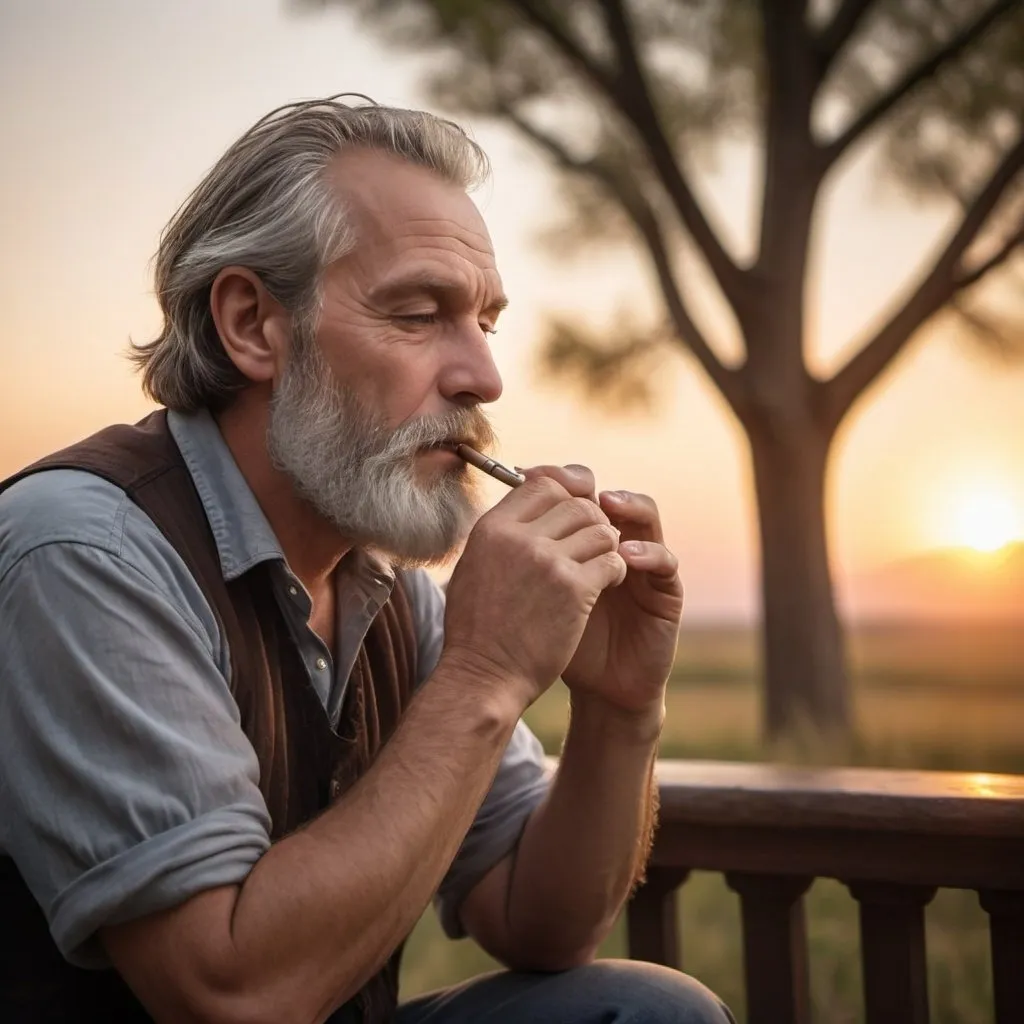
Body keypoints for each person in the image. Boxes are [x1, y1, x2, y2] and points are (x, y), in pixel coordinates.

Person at [0, 96, 733, 1024]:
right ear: (253, 325)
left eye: (485, 323)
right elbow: (229, 997)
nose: (482, 377)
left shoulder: (388, 592)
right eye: (422, 314)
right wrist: (485, 673)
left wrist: (622, 706)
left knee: (644, 1012)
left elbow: (539, 924)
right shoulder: (84, 550)